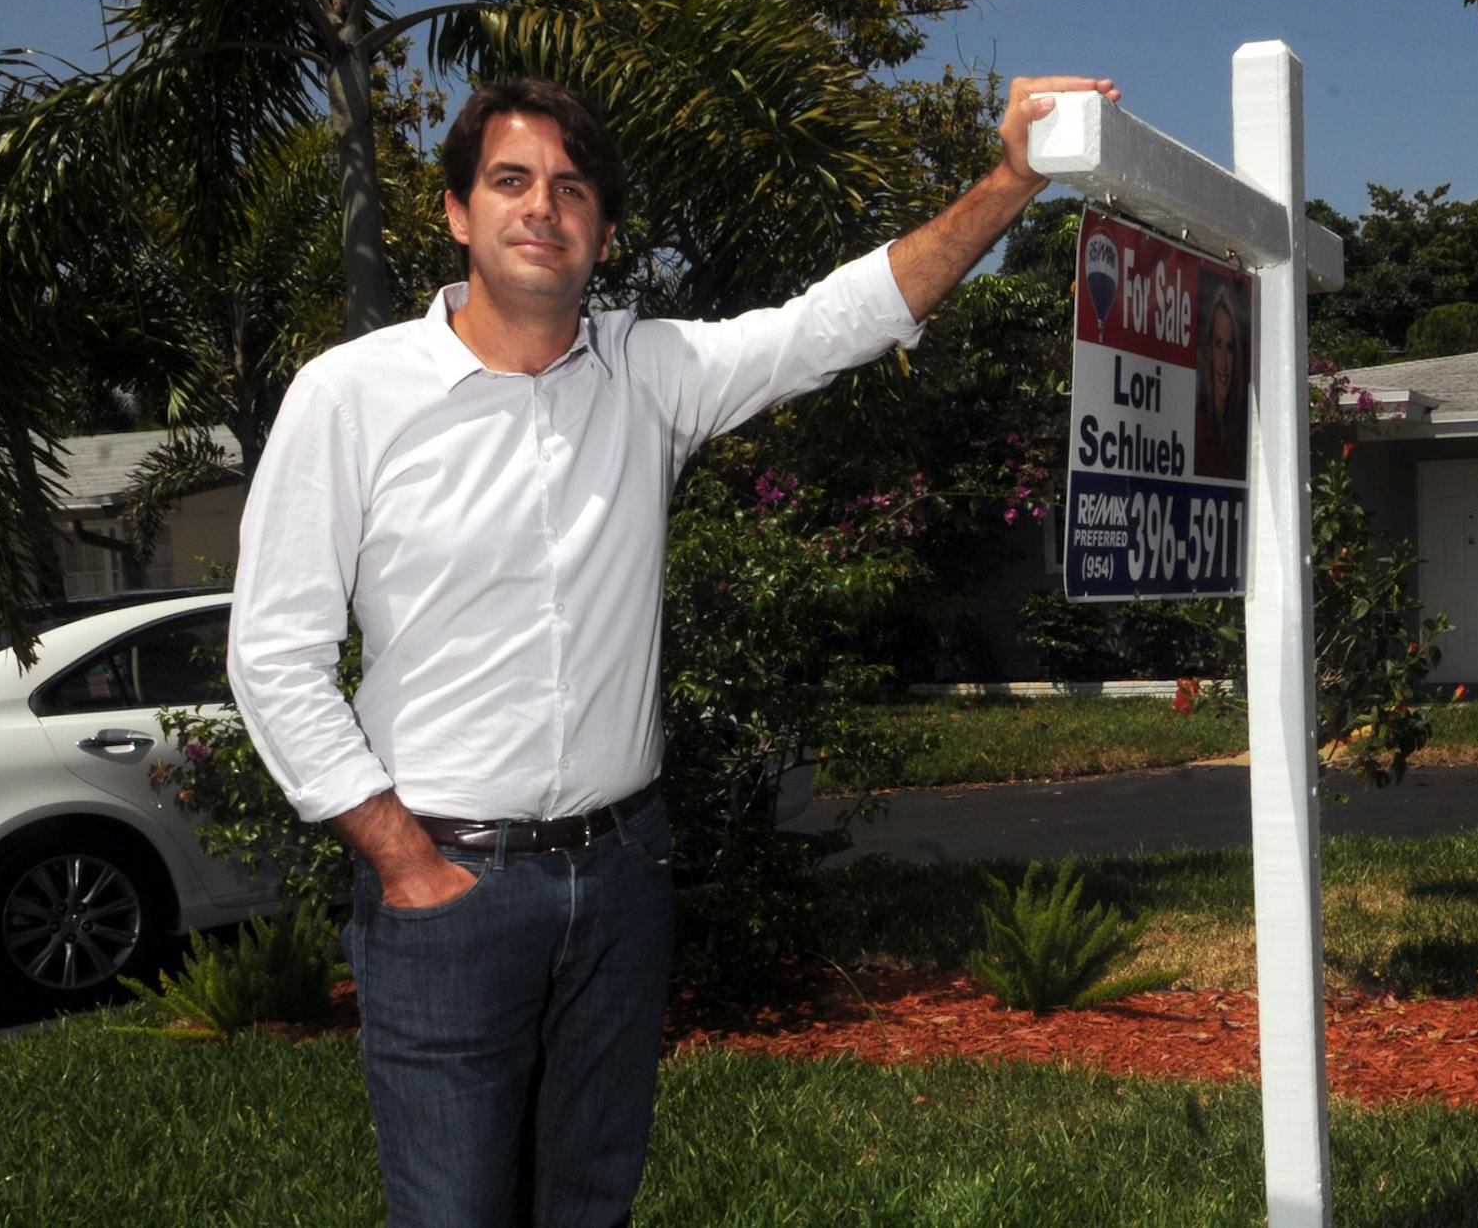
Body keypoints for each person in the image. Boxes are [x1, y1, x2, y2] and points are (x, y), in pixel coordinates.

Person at [225, 72, 1118, 1226]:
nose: (542, 206)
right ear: (456, 213)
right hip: (448, 892)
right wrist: (404, 861)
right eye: (511, 180)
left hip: (622, 878)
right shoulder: (351, 396)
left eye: (572, 187)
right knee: (450, 1213)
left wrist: (1012, 180)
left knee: (592, 1205)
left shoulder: (651, 373)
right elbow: (275, 653)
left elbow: (837, 320)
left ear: (601, 230)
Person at [1193, 276, 1250, 480]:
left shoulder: (1242, 434)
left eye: (1230, 348)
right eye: (1218, 345)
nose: (1224, 364)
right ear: (1208, 348)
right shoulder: (1197, 430)